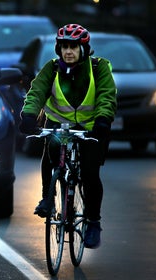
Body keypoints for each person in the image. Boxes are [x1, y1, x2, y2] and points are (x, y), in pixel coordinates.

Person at [19, 23, 117, 249]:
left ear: (84, 48)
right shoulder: (51, 69)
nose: (68, 52)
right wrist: (28, 116)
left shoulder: (98, 67)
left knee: (91, 174)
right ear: (58, 49)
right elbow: (36, 92)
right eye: (64, 47)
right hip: (59, 126)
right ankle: (47, 198)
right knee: (50, 150)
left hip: (91, 129)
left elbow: (106, 96)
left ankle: (93, 223)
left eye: (73, 47)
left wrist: (102, 120)